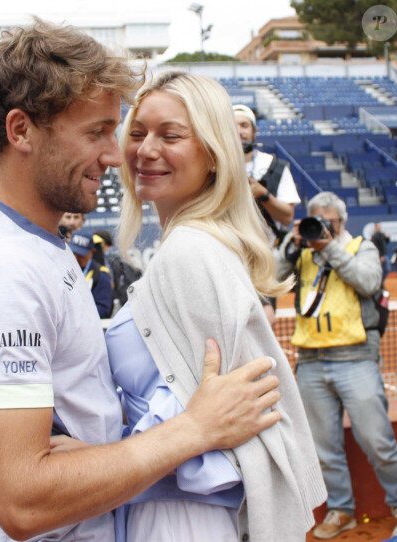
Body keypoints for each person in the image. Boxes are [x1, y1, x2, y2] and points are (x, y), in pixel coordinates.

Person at [0, 19, 282, 542]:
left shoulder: (33, 248)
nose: (116, 156)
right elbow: (23, 500)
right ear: (20, 130)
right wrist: (194, 429)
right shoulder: (5, 275)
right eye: (96, 133)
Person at [106, 70, 326, 542]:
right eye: (138, 132)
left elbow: (216, 422)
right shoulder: (194, 246)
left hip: (184, 515)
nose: (145, 150)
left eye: (171, 135)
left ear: (213, 155)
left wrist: (87, 454)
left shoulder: (190, 251)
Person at [277, 191, 397, 539]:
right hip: (311, 362)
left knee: (378, 441)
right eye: (316, 222)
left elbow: (368, 282)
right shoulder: (302, 251)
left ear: (341, 223)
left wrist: (328, 247)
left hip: (355, 358)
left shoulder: (359, 246)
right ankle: (341, 510)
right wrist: (291, 244)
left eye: (328, 223)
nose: (322, 229)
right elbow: (271, 278)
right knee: (324, 449)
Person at [234, 103, 301, 324]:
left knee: (264, 322)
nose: (240, 130)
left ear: (253, 131)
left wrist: (263, 194)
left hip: (264, 259)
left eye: (244, 125)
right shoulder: (214, 166)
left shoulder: (275, 166)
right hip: (229, 256)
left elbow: (287, 217)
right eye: (233, 125)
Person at [93, 228, 142, 314]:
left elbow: (111, 283)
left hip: (116, 304)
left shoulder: (107, 259)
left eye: (98, 244)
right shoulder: (121, 257)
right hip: (127, 302)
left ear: (105, 244)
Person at [70, 230, 114, 318]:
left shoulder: (102, 275)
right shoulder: (63, 269)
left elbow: (103, 310)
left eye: (80, 254)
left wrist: (74, 310)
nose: (76, 257)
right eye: (73, 252)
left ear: (92, 252)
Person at [371, 221, 390, 286]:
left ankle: (381, 283)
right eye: (378, 227)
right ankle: (380, 284)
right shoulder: (374, 237)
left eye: (380, 227)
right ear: (375, 227)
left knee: (387, 269)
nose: (380, 228)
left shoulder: (382, 235)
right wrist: (380, 256)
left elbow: (386, 242)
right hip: (379, 256)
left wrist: (387, 238)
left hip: (385, 255)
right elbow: (375, 247)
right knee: (380, 271)